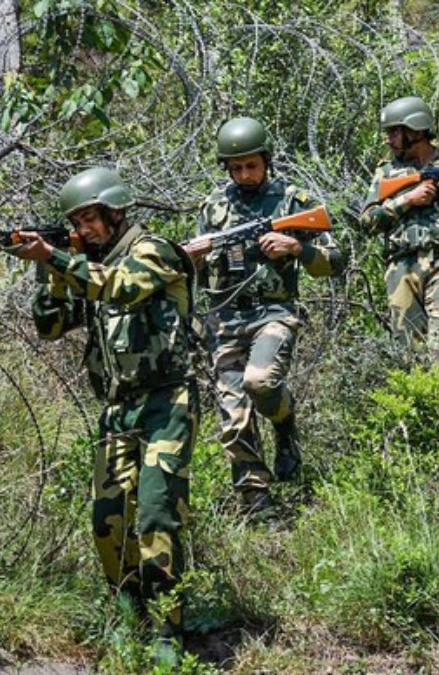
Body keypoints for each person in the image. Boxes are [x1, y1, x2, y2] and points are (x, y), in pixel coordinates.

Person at [15, 167, 197, 663]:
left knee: (157, 515)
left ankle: (168, 629)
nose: (84, 229)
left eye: (90, 218)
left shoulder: (153, 252)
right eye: (76, 222)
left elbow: (120, 288)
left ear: (116, 211)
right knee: (107, 521)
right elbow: (51, 327)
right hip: (118, 409)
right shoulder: (87, 266)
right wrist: (53, 274)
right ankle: (127, 611)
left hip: (167, 403)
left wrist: (55, 256)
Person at [184, 117, 345, 524]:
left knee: (260, 383)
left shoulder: (293, 201)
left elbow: (335, 261)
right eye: (236, 168)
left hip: (274, 312)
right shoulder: (213, 207)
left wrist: (296, 248)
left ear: (266, 161)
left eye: (251, 166)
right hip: (224, 319)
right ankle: (256, 502)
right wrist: (193, 259)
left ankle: (284, 423)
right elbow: (195, 274)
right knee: (233, 416)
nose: (244, 175)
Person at [359, 96, 439, 357]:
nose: (388, 140)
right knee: (409, 350)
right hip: (402, 267)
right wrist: (407, 200)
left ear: (415, 130)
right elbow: (367, 222)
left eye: (394, 132)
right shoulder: (387, 172)